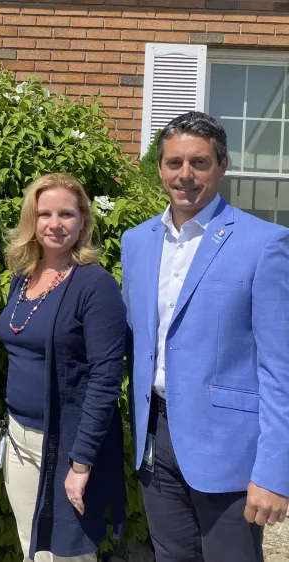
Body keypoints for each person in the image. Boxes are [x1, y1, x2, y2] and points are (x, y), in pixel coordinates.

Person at [122, 111, 289, 562]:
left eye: (199, 162)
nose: (186, 175)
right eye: (174, 163)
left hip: (229, 446)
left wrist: (275, 472)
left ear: (222, 165)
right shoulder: (136, 242)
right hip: (155, 437)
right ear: (159, 167)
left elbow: (280, 367)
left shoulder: (264, 243)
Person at [0, 173, 126, 561]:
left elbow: (106, 379)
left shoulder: (95, 285)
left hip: (67, 444)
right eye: (45, 214)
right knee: (31, 548)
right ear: (31, 222)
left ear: (83, 221)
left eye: (67, 214)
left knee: (67, 556)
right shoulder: (23, 278)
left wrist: (82, 461)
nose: (55, 224)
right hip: (18, 439)